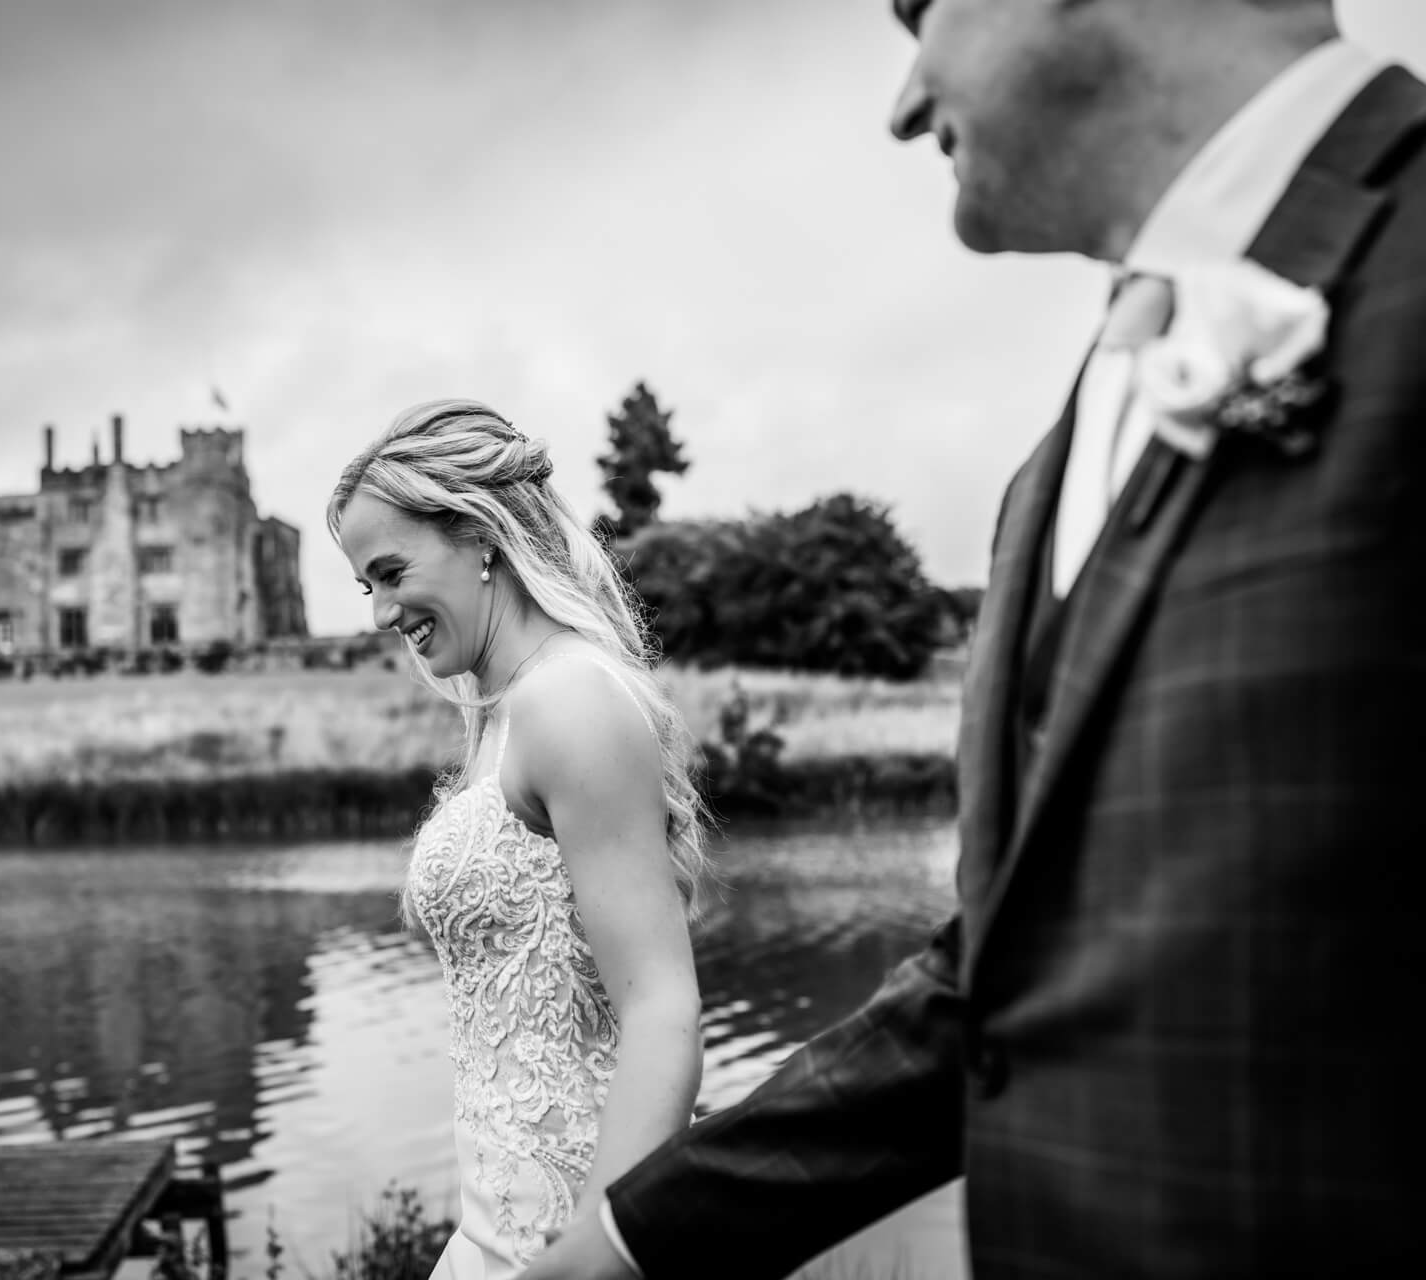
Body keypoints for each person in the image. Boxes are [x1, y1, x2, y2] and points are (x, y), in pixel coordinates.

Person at [521, 1, 1426, 1276]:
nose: (902, 104)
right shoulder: (1049, 471)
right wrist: (630, 1239)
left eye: (917, 9)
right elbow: (996, 982)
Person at [327, 399, 710, 1278]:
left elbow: (662, 1008)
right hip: (501, 1225)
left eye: (391, 572)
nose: (382, 613)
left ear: (479, 534)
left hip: (576, 1234)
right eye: (366, 586)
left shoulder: (567, 699)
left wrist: (592, 1254)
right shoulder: (503, 716)